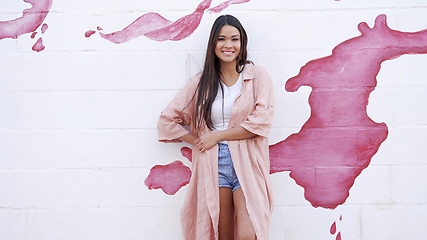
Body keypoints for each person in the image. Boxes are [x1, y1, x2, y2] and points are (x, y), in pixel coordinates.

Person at [157, 14, 274, 240]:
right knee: (222, 234)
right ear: (213, 44)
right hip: (213, 161)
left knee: (250, 234)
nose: (228, 45)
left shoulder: (256, 75)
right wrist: (199, 140)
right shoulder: (201, 83)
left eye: (234, 39)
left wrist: (217, 135)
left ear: (242, 43)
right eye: (221, 39)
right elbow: (167, 121)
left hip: (248, 160)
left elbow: (262, 122)